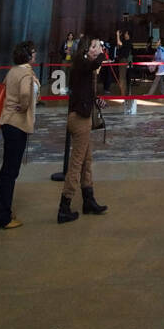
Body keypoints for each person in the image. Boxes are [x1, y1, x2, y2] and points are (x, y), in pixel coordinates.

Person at [57, 36, 107, 223]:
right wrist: (102, 55)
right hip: (78, 118)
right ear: (86, 49)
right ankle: (65, 205)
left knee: (87, 161)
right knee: (77, 163)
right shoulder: (81, 61)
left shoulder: (85, 66)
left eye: (98, 46)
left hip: (84, 116)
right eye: (95, 46)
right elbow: (92, 65)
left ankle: (88, 200)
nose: (98, 49)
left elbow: (87, 90)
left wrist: (97, 100)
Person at [0, 40, 39, 231]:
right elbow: (26, 96)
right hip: (17, 123)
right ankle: (2, 217)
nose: (36, 55)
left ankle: (2, 212)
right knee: (10, 172)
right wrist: (25, 106)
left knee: (8, 170)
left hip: (7, 122)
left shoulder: (13, 71)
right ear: (28, 55)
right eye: (33, 52)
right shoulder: (26, 73)